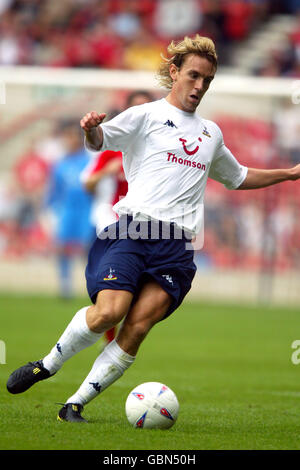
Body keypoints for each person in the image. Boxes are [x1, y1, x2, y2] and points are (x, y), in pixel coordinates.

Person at [7, 35, 300, 422]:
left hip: (177, 247)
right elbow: (100, 141)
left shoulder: (211, 134)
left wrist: (290, 174)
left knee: (138, 327)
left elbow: (238, 176)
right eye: (193, 76)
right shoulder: (144, 115)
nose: (199, 86)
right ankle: (47, 365)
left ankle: (74, 405)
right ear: (175, 72)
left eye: (207, 80)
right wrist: (91, 129)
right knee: (109, 312)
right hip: (131, 233)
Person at [81, 90, 154, 346]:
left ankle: (117, 335)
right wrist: (107, 172)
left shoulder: (159, 150)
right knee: (111, 288)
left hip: (148, 227)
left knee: (136, 290)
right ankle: (110, 336)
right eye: (137, 108)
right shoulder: (112, 149)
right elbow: (87, 183)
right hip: (111, 223)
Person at [46, 120, 94, 298]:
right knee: (62, 248)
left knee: (88, 249)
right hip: (67, 211)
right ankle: (65, 284)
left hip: (86, 211)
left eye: (73, 136)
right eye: (67, 137)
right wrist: (50, 211)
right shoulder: (60, 165)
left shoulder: (89, 161)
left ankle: (93, 283)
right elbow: (54, 191)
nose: (69, 140)